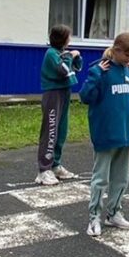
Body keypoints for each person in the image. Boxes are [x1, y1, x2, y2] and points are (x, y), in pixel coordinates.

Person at [80, 31, 129, 235]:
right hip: (106, 134)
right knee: (101, 179)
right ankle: (94, 218)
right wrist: (97, 74)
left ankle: (114, 213)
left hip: (125, 134)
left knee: (121, 178)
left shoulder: (128, 71)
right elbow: (85, 97)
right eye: (126, 55)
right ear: (116, 50)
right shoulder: (100, 70)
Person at [36, 25, 82, 185]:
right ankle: (44, 169)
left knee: (61, 130)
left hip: (64, 92)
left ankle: (55, 165)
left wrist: (75, 57)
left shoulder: (61, 53)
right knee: (51, 130)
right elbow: (62, 69)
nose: (70, 40)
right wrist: (71, 55)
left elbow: (75, 67)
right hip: (53, 93)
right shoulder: (51, 53)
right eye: (68, 37)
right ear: (61, 38)